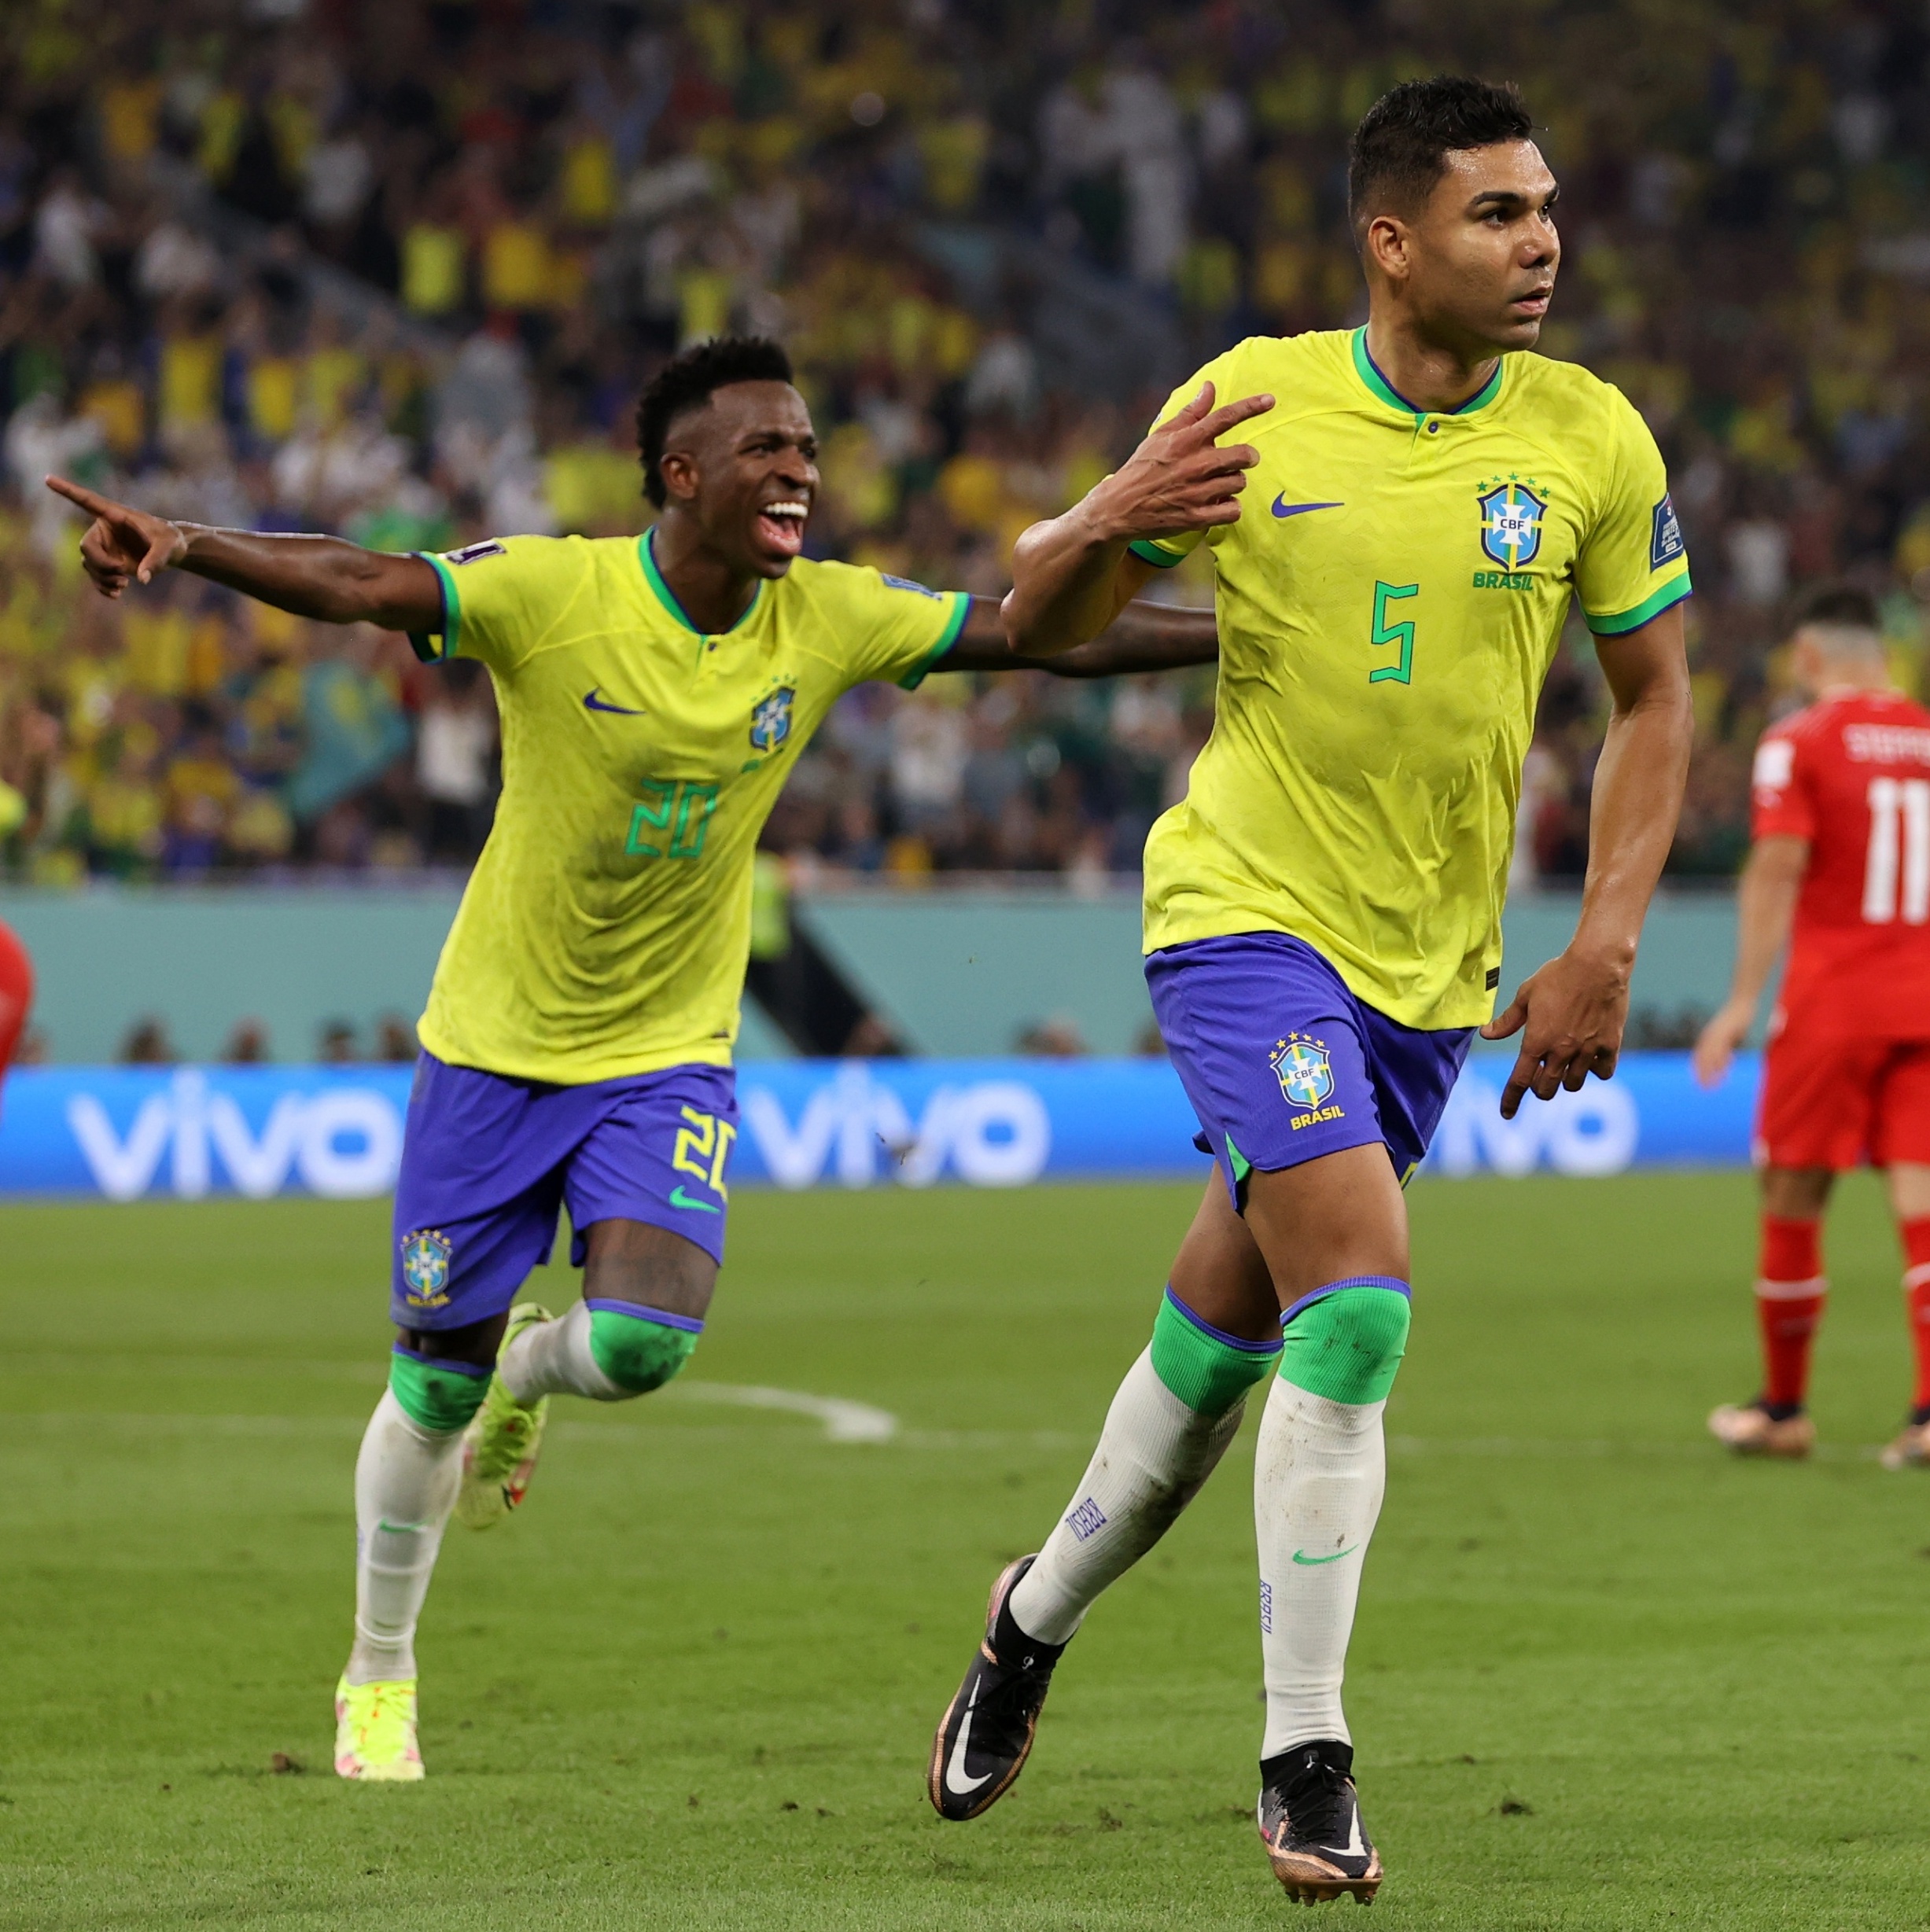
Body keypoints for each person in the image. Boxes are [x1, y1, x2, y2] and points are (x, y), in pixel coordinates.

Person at [45, 334, 1217, 1786]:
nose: (800, 470)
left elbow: (1035, 633)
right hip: (491, 1050)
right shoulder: (556, 593)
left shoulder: (830, 615)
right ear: (680, 477)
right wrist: (187, 542)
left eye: (806, 447)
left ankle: (536, 1370)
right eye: (765, 451)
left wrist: (1241, 633)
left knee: (642, 1345)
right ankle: (379, 1670)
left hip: (665, 1048)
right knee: (427, 1390)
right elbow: (359, 579)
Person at [926, 77, 1693, 1905]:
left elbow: (1653, 698)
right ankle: (1305, 1753)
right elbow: (1035, 631)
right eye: (1497, 214)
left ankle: (1024, 1620)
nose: (1539, 244)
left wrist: (1600, 946)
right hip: (1242, 912)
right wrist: (1109, 508)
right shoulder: (1249, 399)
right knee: (1353, 1307)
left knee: (1214, 1354)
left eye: (1545, 208)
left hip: (1431, 968)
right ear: (1391, 240)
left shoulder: (1587, 440)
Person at [1696, 586, 1930, 1468]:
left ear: (1808, 656)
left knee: (1792, 1196)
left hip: (1836, 1001)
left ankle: (1784, 1410)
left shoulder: (1799, 740)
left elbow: (1777, 868)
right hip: (1925, 996)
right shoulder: (1926, 736)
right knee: (1923, 1209)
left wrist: (1739, 1002)